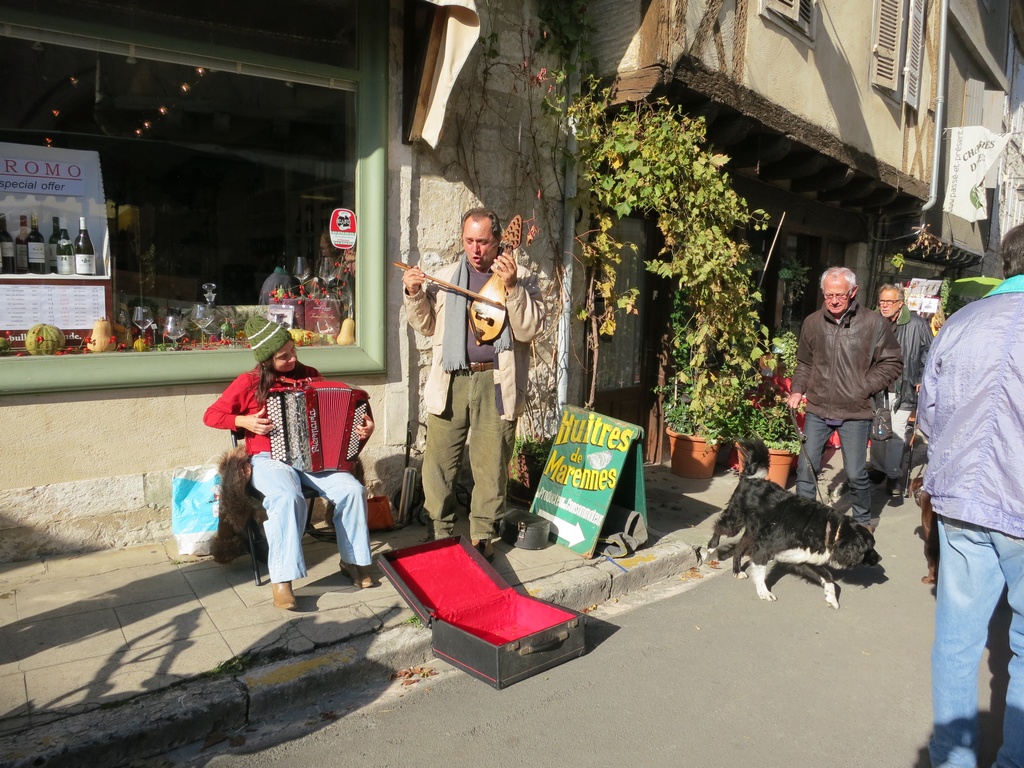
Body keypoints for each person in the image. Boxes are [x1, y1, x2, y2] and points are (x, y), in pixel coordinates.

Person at [918, 223, 1024, 768]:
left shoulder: (960, 323)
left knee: (958, 643)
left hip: (960, 500)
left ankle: (951, 760)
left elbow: (930, 416)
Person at [203, 316, 376, 609]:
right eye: (283, 356)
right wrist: (242, 420)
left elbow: (342, 413)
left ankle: (353, 561)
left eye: (293, 351)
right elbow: (211, 415)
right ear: (266, 359)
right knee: (286, 497)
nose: (292, 358)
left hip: (315, 459)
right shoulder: (248, 383)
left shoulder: (310, 374)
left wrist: (364, 427)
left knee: (352, 490)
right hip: (269, 459)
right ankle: (282, 580)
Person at [401, 207, 544, 559]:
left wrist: (511, 289)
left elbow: (529, 329)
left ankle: (483, 535)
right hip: (452, 379)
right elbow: (427, 325)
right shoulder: (447, 276)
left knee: (491, 464)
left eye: (483, 241)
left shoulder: (523, 278)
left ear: (497, 240)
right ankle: (440, 531)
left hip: (493, 382)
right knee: (438, 463)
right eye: (469, 241)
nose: (475, 249)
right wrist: (415, 293)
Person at [785, 266, 902, 532]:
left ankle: (862, 521)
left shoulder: (874, 323)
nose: (834, 301)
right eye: (828, 295)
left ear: (853, 292)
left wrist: (864, 387)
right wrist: (797, 389)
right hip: (817, 409)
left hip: (856, 412)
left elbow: (893, 362)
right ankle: (805, 522)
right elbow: (804, 363)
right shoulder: (813, 323)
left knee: (855, 474)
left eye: (839, 295)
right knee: (806, 469)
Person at [867, 283, 932, 497]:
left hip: (904, 386)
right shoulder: (872, 321)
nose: (885, 305)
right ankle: (878, 467)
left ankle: (893, 475)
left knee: (895, 432)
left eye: (890, 302)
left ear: (900, 303)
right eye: (882, 301)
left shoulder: (917, 324)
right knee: (877, 430)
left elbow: (929, 355)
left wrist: (922, 379)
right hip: (877, 386)